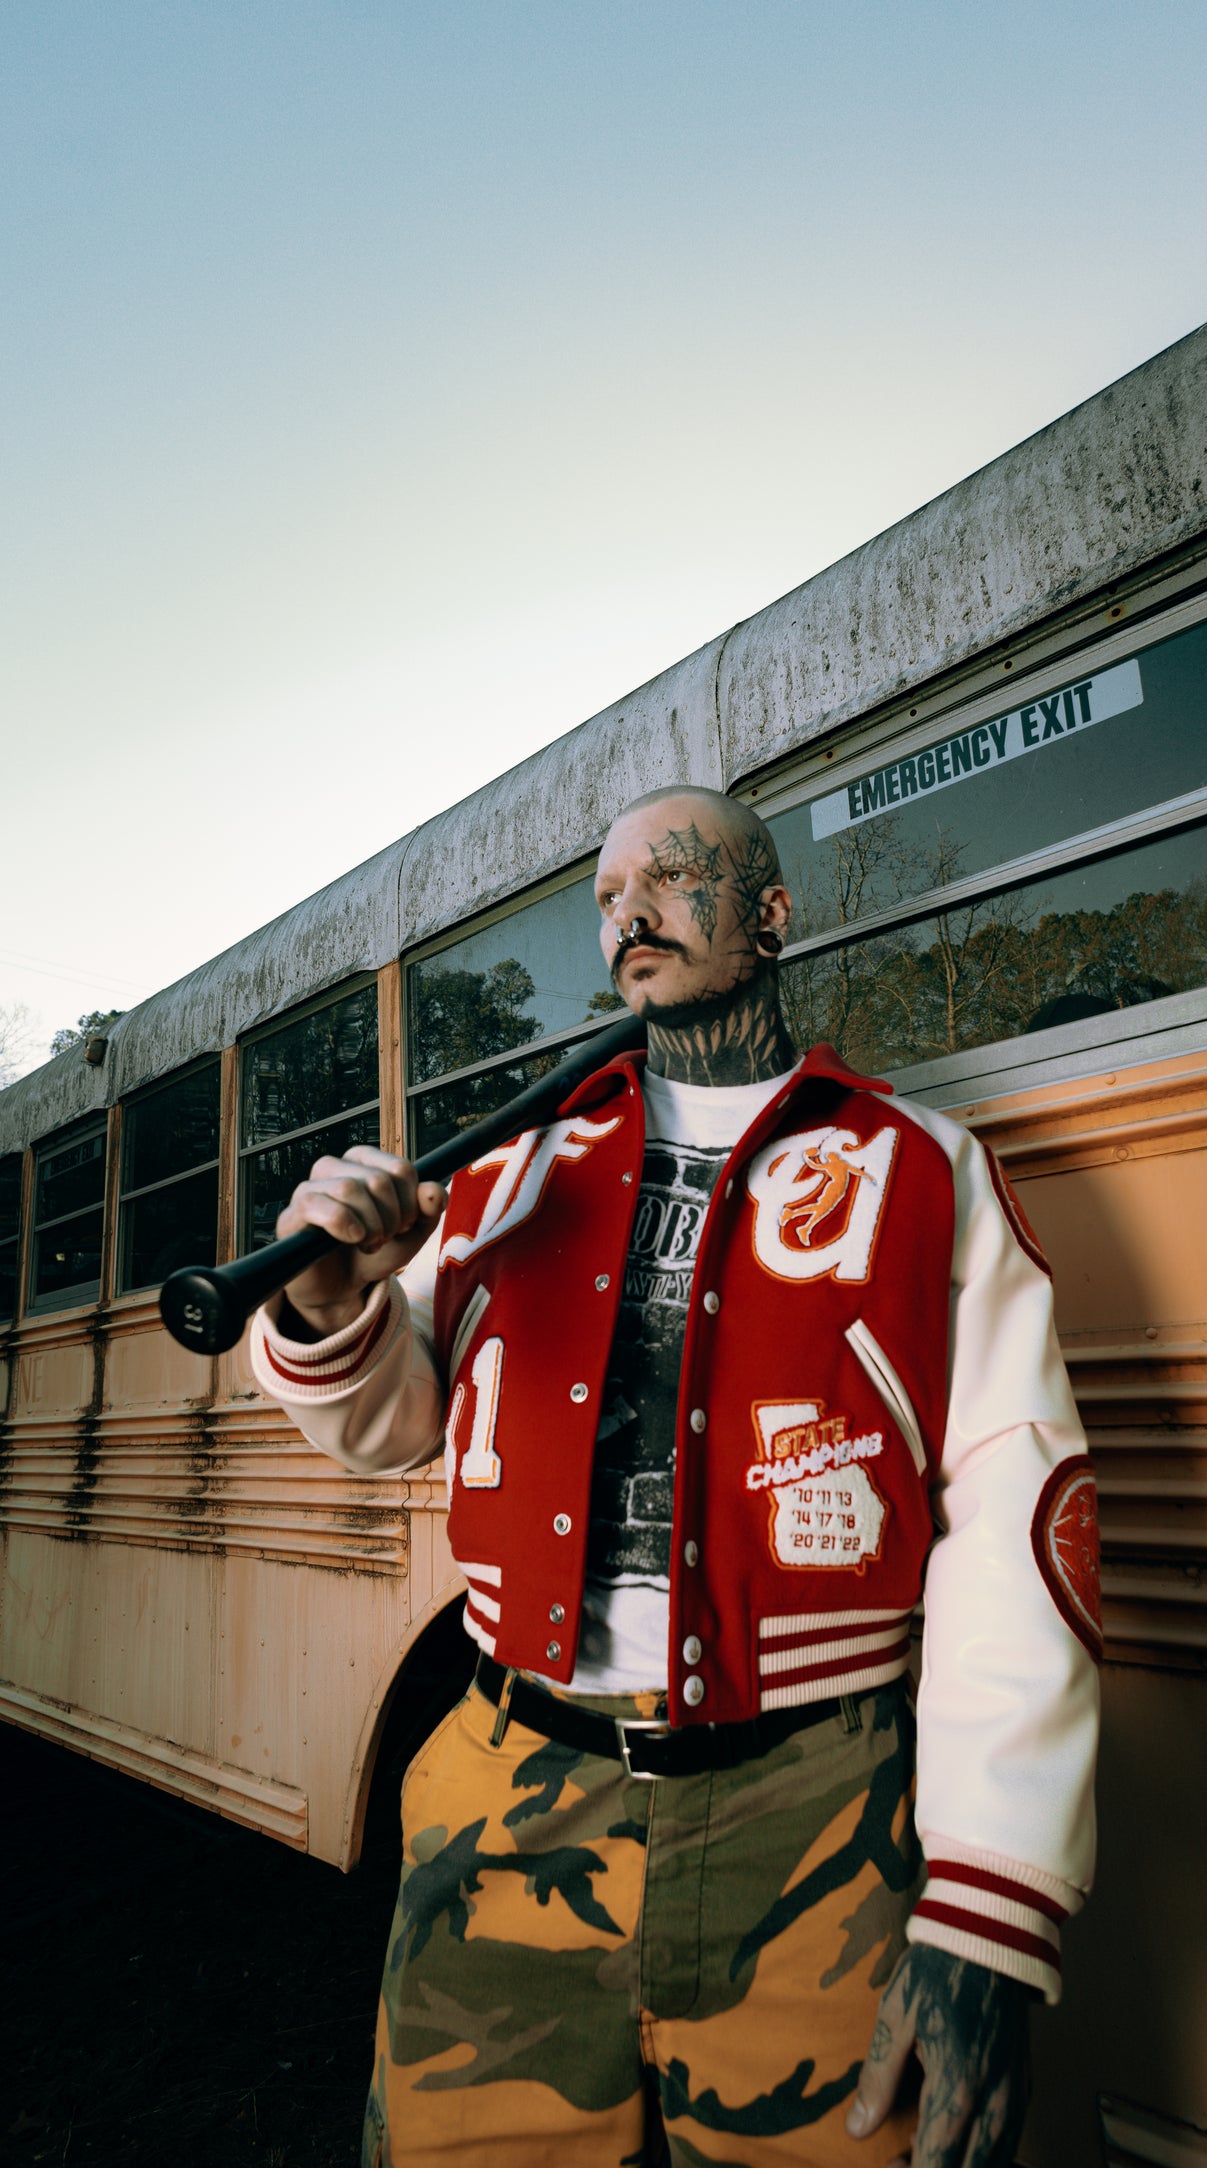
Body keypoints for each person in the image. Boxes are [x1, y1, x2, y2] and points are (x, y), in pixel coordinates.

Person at [251, 785, 1101, 2168]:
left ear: (768, 915)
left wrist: (986, 1905)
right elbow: (395, 1420)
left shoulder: (921, 1171)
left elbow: (1018, 1529)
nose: (626, 916)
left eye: (670, 877)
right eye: (605, 897)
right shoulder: (512, 1169)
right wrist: (325, 1303)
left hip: (816, 1804)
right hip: (504, 1776)